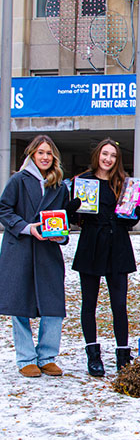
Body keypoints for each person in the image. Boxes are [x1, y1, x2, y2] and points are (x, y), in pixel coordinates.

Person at [0, 135, 76, 377]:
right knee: (20, 305)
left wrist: (60, 236)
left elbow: (63, 221)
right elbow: (3, 209)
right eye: (41, 152)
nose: (45, 157)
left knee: (53, 305)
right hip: (20, 249)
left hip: (47, 252)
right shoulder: (18, 180)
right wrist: (26, 227)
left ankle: (47, 356)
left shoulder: (59, 186)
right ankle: (26, 358)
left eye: (49, 153)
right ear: (32, 154)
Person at [71, 138, 140, 377]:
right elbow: (75, 219)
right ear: (97, 155)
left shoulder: (124, 183)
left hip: (118, 247)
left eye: (113, 155)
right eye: (105, 154)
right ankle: (93, 356)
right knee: (89, 304)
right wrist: (72, 208)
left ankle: (123, 355)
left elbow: (126, 219)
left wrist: (137, 213)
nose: (108, 159)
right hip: (91, 245)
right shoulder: (83, 181)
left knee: (120, 305)